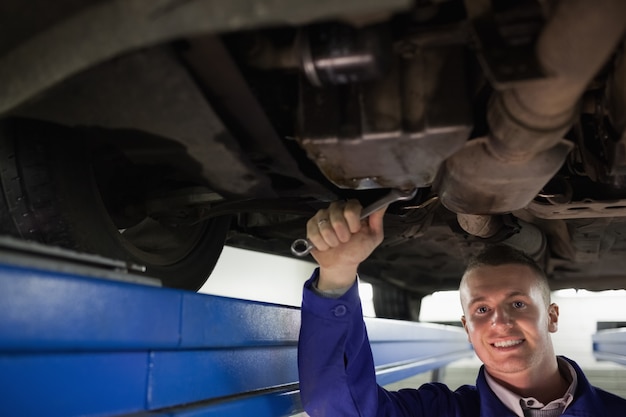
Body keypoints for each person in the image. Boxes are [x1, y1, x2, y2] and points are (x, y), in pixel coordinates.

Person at [297, 200, 626, 416]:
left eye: (518, 303)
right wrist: (337, 274)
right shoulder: (440, 411)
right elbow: (341, 409)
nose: (500, 321)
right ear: (467, 327)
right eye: (481, 310)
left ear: (552, 316)